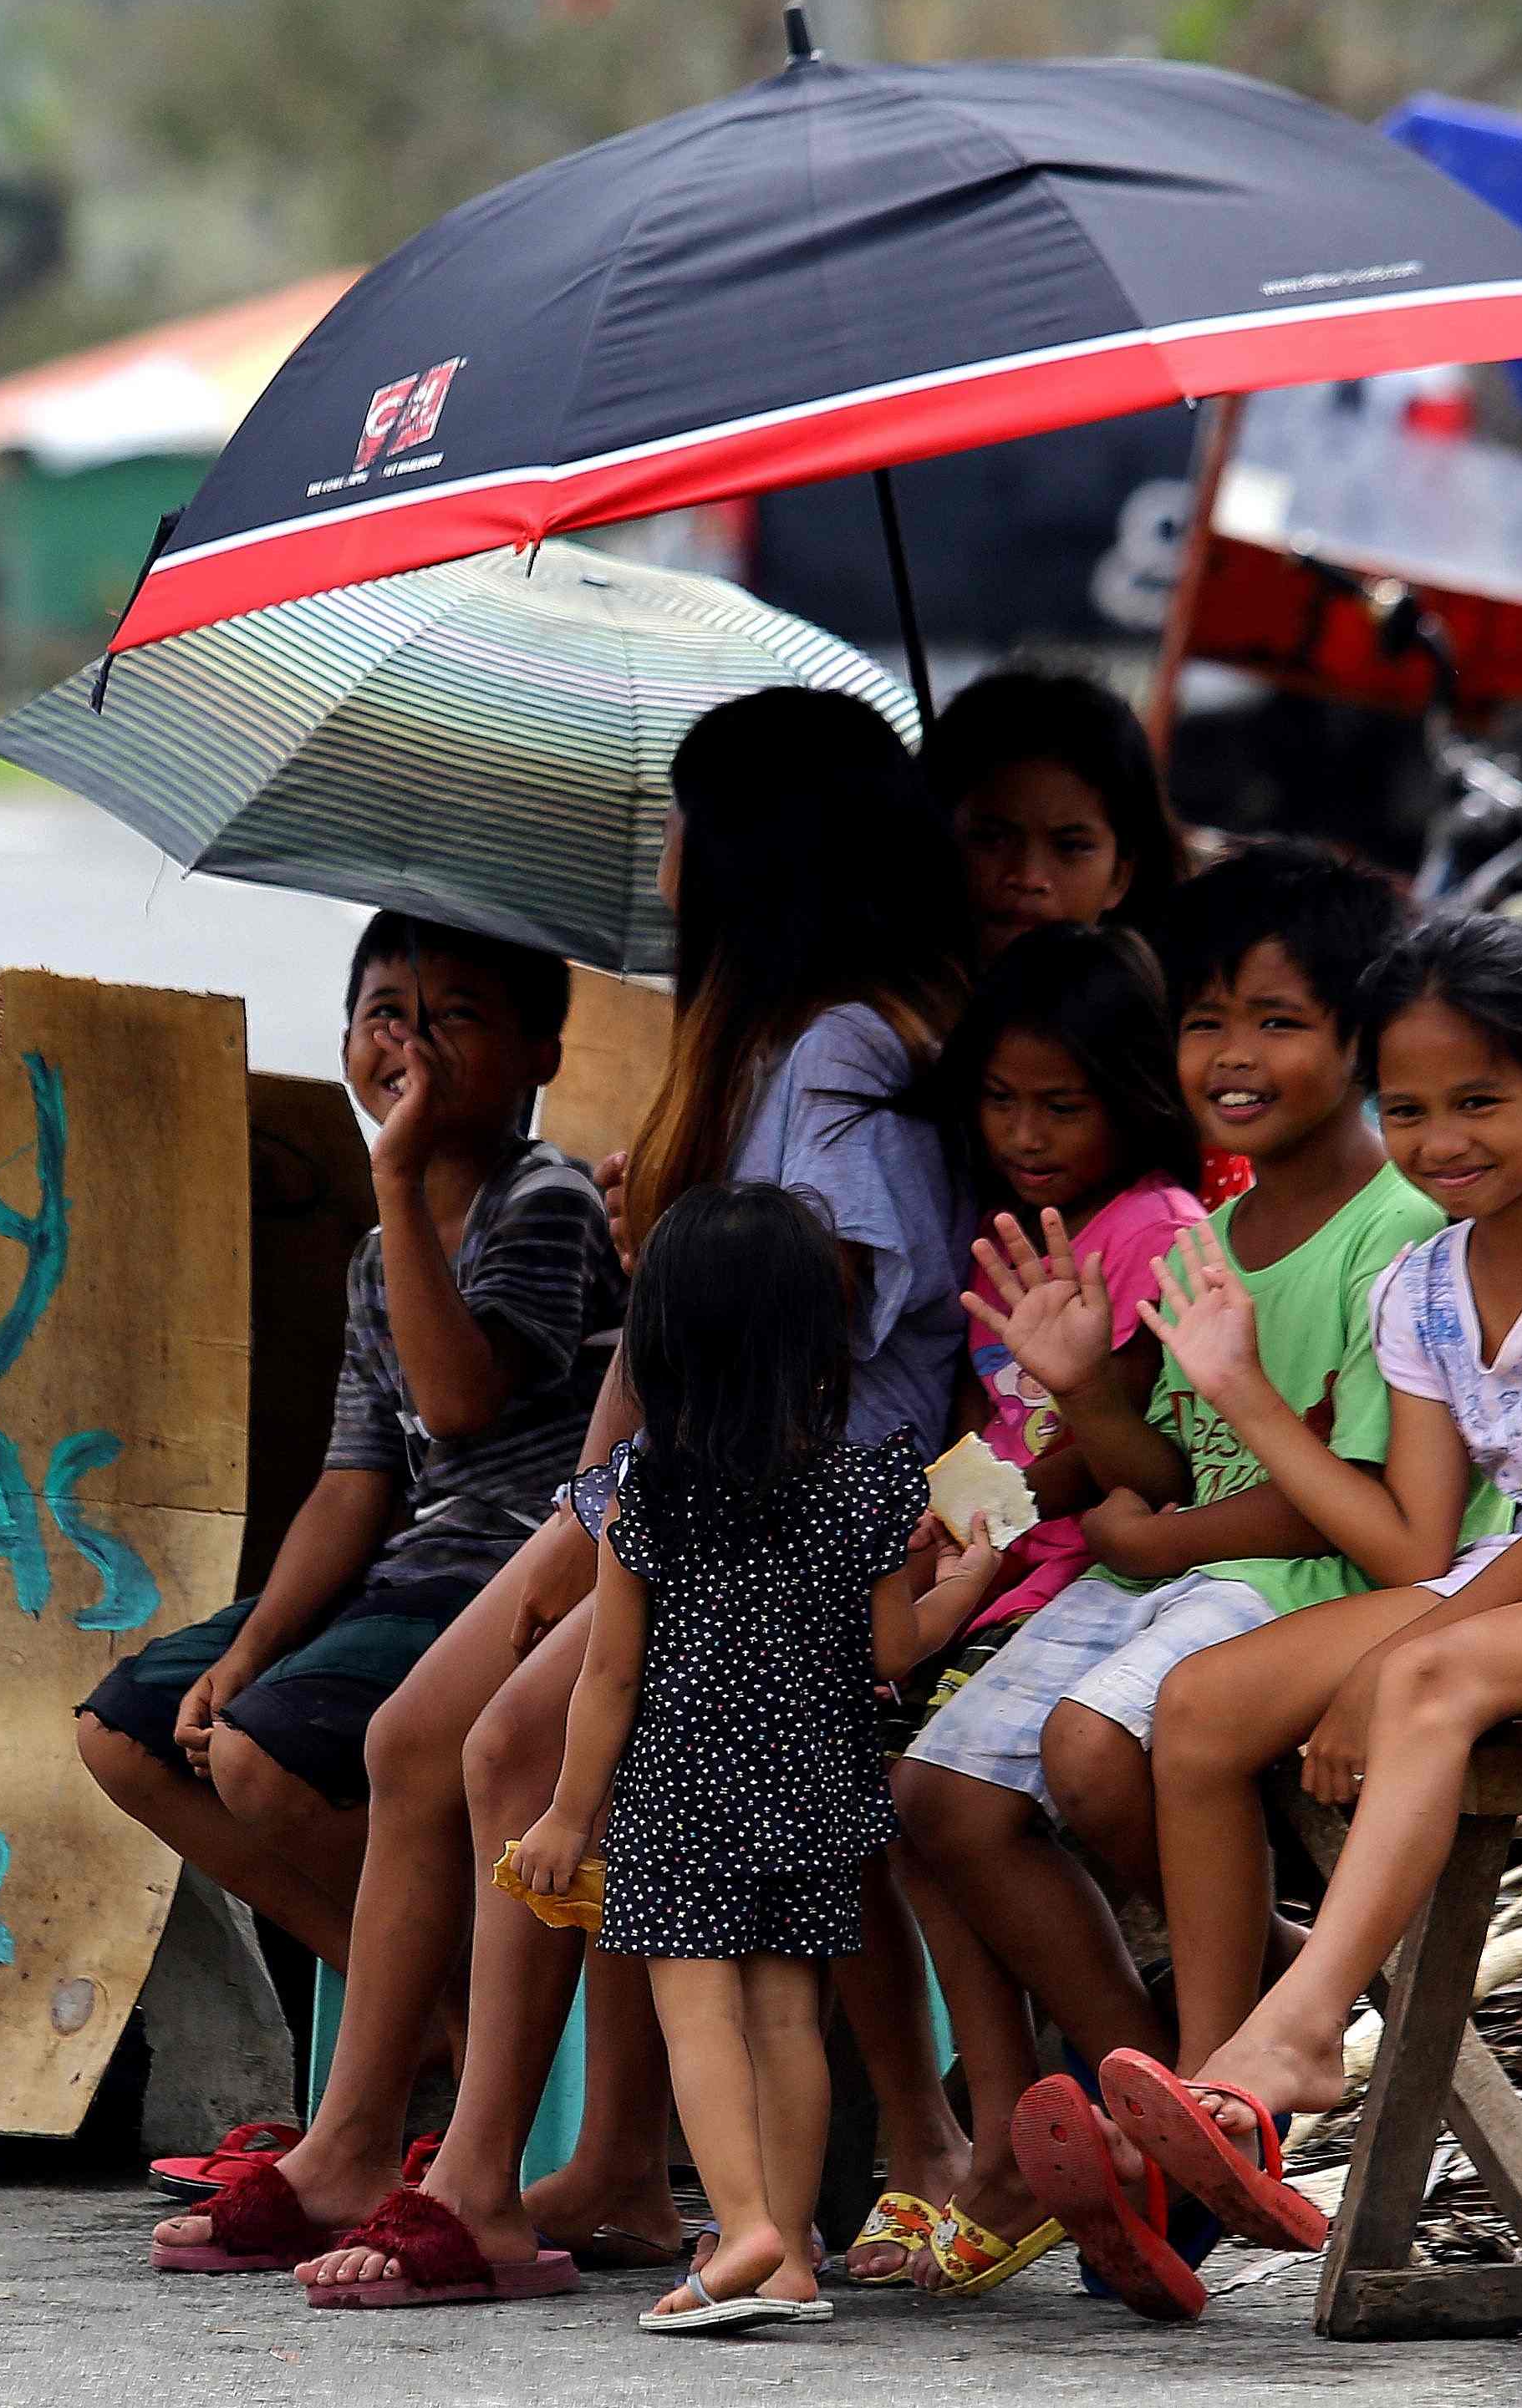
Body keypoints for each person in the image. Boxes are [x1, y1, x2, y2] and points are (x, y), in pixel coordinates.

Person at [159, 684, 975, 2304]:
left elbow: (809, 1322)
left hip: (783, 1516)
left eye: (690, 818)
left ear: (753, 853)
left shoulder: (839, 1055)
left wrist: (665, 1303)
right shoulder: (750, 1053)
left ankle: (480, 2185)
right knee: (412, 1740)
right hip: (672, 1481)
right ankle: (417, 2153)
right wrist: (595, 1493)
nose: (665, 853)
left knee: (519, 1750)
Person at [1097, 910, 1522, 2258]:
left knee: (1422, 1668)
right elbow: (1417, 1542)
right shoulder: (1419, 1281)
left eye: (1479, 1100)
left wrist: (1375, 1669)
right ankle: (1215, 2098)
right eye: (1406, 1109)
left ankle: (1298, 2039)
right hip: (1516, 1571)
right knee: (1198, 1704)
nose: (1441, 1140)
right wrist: (1239, 1389)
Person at [891, 839, 1463, 2312]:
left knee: (1089, 1750)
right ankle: (1157, 2098)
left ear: (1358, 1036)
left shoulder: (1391, 1235)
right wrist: (1082, 1395)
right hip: (1189, 1573)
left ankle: (1206, 2084)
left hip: (1297, 1584)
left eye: (1277, 1019)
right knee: (938, 1794)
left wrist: (1154, 1533)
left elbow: (1349, 1496)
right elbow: (1162, 1459)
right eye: (1205, 1020)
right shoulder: (1210, 1232)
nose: (1232, 1053)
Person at [78, 915, 619, 1985]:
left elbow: (458, 1399)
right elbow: (351, 1482)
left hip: (505, 1577)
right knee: (127, 1733)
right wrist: (249, 1649)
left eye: (455, 1019)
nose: (412, 1048)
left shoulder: (546, 1199)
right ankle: (413, 2009)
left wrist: (396, 1184)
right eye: (386, 1017)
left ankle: (466, 2000)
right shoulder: (381, 1252)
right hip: (402, 1576)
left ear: (539, 1058)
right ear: (345, 1044)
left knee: (260, 1759)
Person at [509, 1184, 1010, 2333]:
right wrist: (967, 1583)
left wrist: (568, 1818)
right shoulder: (867, 1489)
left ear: (665, 1347)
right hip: (818, 1795)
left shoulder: (642, 1499)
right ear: (818, 1343)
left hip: (679, 1799)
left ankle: (743, 2231)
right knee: (791, 2019)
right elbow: (893, 1651)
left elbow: (609, 1679)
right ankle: (790, 2256)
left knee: (701, 2022)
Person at [841, 923, 1201, 2289]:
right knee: (901, 1805)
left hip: (1088, 1575)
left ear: (1128, 1093)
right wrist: (952, 1524)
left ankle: (1125, 2092)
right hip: (1008, 1570)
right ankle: (1000, 2124)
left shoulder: (1151, 1227)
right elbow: (1002, 1422)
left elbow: (1097, 1439)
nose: (1028, 1131)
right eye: (1002, 1101)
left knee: (938, 1802)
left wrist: (969, 1521)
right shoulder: (1031, 1222)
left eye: (1062, 1102)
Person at [926, 658, 1189, 958]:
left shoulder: (1179, 1001)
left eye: (1071, 847)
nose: (1028, 878)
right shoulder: (876, 1003)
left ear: (1120, 876)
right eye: (991, 839)